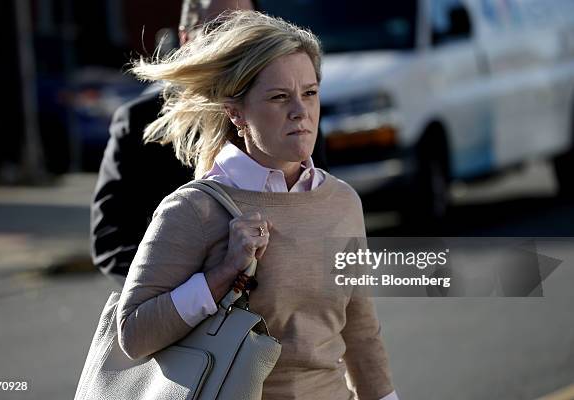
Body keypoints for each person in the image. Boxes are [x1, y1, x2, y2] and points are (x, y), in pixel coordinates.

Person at [116, 11, 397, 400]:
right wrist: (222, 274)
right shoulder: (194, 209)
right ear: (236, 113)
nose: (301, 111)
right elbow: (133, 333)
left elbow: (361, 332)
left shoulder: (342, 201)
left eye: (310, 93)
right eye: (280, 97)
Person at [90, 0, 327, 284]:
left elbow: (324, 219)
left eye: (246, 27)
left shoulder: (296, 112)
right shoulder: (140, 121)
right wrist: (202, 287)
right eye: (219, 28)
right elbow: (112, 241)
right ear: (185, 36)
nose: (234, 39)